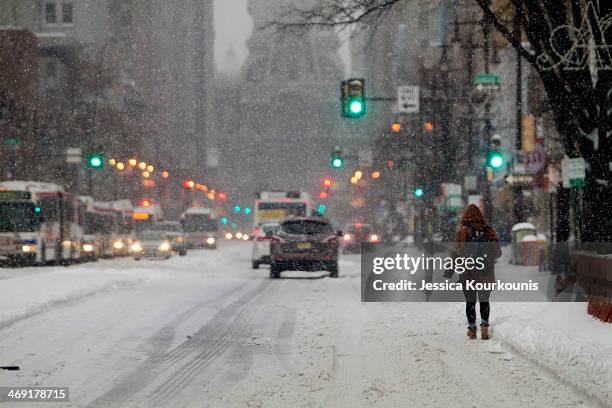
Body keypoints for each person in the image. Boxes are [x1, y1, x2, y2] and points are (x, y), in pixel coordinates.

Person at [453, 204, 502, 340]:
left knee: (470, 302)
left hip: (468, 273)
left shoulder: (462, 232)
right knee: (484, 300)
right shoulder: (490, 231)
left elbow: (457, 253)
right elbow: (498, 252)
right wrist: (487, 257)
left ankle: (472, 329)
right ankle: (484, 327)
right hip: (486, 272)